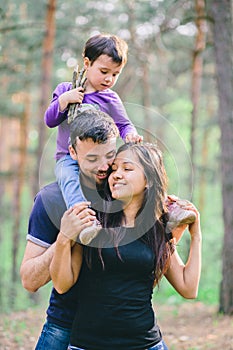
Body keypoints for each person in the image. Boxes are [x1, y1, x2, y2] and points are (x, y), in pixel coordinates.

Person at [50, 142, 202, 350]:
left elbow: (188, 287)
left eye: (127, 169)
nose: (116, 175)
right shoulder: (91, 221)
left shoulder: (157, 228)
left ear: (148, 179)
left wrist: (196, 235)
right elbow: (61, 284)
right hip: (88, 345)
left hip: (146, 345)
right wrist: (63, 238)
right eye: (114, 169)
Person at [20, 109, 120, 350]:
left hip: (124, 328)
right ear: (72, 153)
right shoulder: (51, 200)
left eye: (109, 155)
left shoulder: (126, 192)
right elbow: (29, 279)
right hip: (65, 326)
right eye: (92, 159)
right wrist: (65, 236)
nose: (104, 166)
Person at [44, 33, 142, 211]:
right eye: (104, 72)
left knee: (131, 175)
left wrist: (131, 135)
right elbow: (50, 121)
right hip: (68, 158)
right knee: (69, 179)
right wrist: (64, 101)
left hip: (102, 160)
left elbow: (124, 124)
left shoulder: (110, 98)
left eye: (115, 74)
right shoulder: (67, 89)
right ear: (87, 63)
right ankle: (81, 214)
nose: (109, 79)